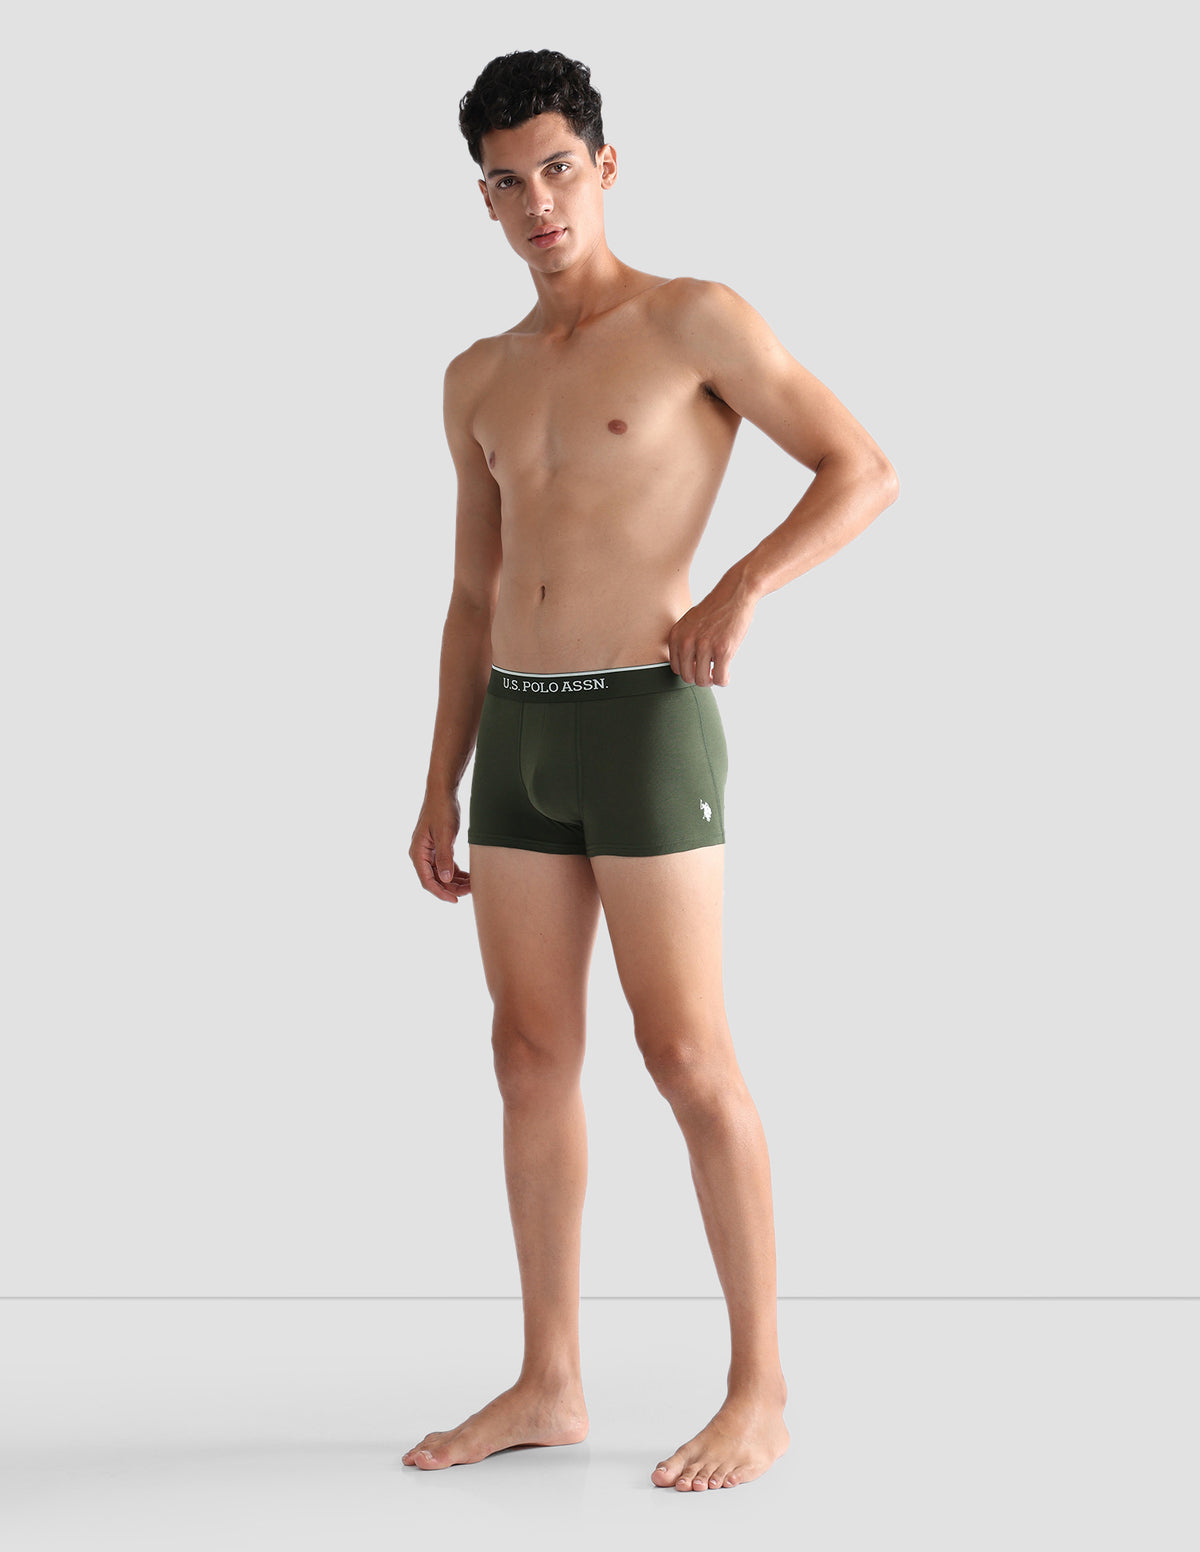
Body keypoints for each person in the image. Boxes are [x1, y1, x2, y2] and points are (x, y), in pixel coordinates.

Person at [405, 48, 899, 1492]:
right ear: (484, 199)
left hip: (645, 718)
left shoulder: (692, 319)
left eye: (559, 168)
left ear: (605, 168)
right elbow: (469, 596)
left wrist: (740, 588)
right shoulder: (478, 378)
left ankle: (762, 1392)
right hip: (519, 730)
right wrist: (438, 781)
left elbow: (861, 467)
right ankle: (549, 1381)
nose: (538, 202)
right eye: (508, 181)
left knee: (685, 1055)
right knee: (527, 1054)